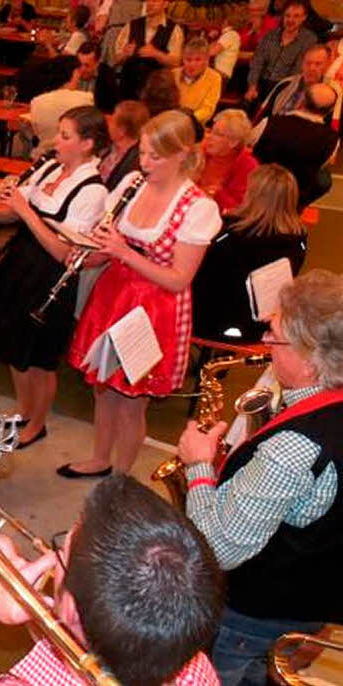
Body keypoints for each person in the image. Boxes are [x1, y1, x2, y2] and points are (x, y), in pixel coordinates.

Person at [0, 474, 223, 686]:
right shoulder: (195, 669)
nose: (50, 557)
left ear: (72, 612)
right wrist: (27, 599)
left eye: (60, 554)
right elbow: (81, 637)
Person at [178, 269, 343, 685]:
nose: (265, 341)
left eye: (275, 333)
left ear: (309, 357)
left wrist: (198, 465)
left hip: (251, 613)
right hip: (312, 596)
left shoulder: (294, 449)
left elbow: (218, 548)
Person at [64, 110, 221, 478]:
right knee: (103, 389)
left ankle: (121, 477)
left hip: (155, 309)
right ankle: (100, 458)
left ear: (182, 154)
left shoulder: (197, 207)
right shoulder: (133, 183)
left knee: (133, 402)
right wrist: (88, 253)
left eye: (155, 156)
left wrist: (123, 252)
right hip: (114, 296)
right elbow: (108, 244)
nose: (145, 163)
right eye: (143, 153)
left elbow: (179, 279)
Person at [0, 107, 108, 452]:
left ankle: (37, 423)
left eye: (66, 136)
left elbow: (64, 253)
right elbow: (12, 212)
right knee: (13, 346)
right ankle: (23, 410)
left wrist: (24, 209)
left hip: (51, 276)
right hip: (20, 263)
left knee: (39, 358)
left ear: (87, 144)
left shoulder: (93, 191)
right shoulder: (51, 167)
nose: (57, 141)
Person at [191, 163, 307, 343]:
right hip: (260, 325)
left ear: (252, 194)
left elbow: (199, 276)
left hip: (209, 322)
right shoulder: (298, 238)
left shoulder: (229, 233)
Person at [252, 82, 338, 209]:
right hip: (293, 199)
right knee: (324, 179)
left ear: (302, 100)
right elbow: (321, 165)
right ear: (330, 111)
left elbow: (248, 146)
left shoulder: (269, 123)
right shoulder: (333, 139)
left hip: (258, 190)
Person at [252, 44, 341, 136]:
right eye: (308, 63)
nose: (312, 68)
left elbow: (333, 128)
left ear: (327, 65)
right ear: (302, 64)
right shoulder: (286, 84)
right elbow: (263, 115)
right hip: (275, 135)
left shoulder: (333, 92)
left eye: (318, 64)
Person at [245, 0, 318, 106]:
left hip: (285, 87)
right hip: (261, 83)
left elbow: (297, 71)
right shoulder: (271, 35)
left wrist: (281, 93)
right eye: (287, 16)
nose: (290, 20)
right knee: (244, 107)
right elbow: (257, 62)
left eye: (296, 16)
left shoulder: (308, 39)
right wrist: (252, 86)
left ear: (304, 18)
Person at [22, 55, 94, 158]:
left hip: (43, 156)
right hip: (73, 157)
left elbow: (35, 132)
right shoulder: (86, 99)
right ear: (74, 73)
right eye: (78, 71)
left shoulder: (37, 101)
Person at [113, 0, 184, 100]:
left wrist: (156, 54)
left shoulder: (174, 30)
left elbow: (176, 62)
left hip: (156, 91)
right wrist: (124, 54)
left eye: (154, 1)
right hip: (129, 88)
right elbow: (115, 59)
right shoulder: (132, 25)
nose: (149, 4)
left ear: (165, 4)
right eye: (148, 1)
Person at [199, 108, 258, 214]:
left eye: (217, 134)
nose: (209, 137)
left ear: (234, 142)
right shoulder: (201, 151)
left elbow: (240, 208)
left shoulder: (247, 166)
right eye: (210, 130)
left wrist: (216, 193)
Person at [97, 99, 148, 189]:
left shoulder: (135, 164)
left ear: (122, 130)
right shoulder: (108, 147)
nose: (108, 122)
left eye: (112, 120)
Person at [172, 37, 222, 126]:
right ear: (182, 59)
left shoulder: (215, 78)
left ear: (206, 60)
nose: (192, 64)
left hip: (195, 125)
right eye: (188, 60)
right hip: (171, 121)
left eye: (198, 60)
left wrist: (186, 120)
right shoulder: (173, 74)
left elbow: (207, 109)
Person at [75, 41, 119, 113]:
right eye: (79, 64)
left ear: (97, 63)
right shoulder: (71, 72)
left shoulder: (107, 76)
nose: (82, 69)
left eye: (87, 65)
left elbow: (110, 108)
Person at [210, 13, 242, 81]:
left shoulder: (230, 35)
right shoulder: (233, 35)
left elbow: (213, 52)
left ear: (226, 22)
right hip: (222, 73)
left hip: (220, 73)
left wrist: (209, 38)